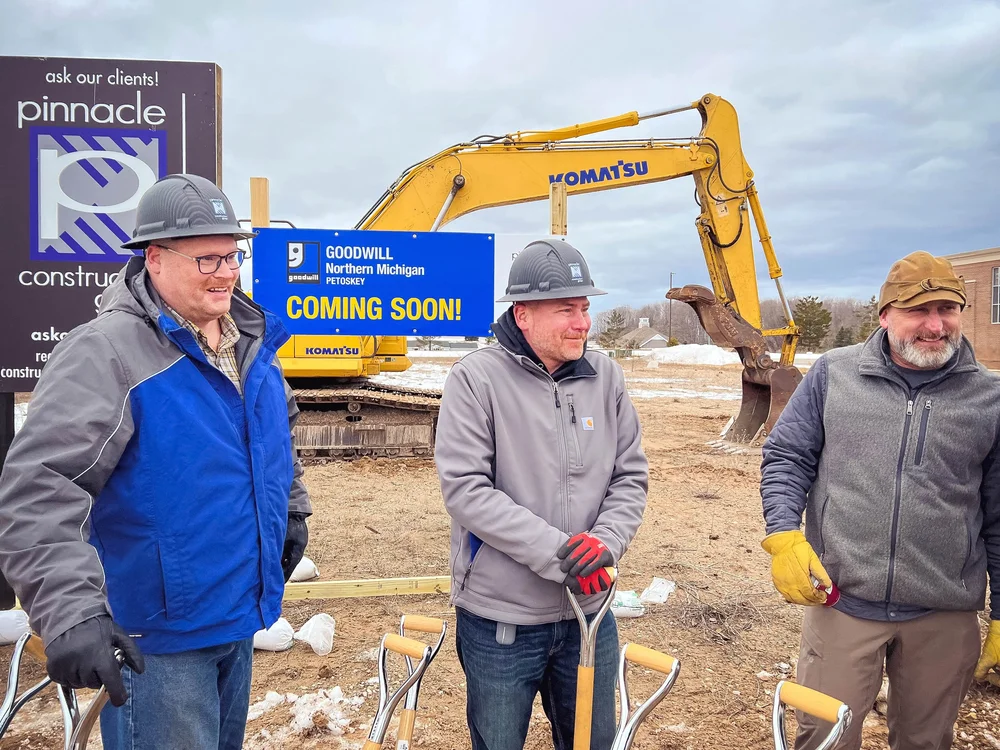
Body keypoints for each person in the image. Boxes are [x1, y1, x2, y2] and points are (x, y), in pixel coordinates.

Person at [0, 174, 311, 750]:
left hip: (237, 613)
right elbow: (41, 487)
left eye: (231, 254)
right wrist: (69, 610)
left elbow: (275, 437)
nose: (226, 271)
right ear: (155, 259)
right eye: (206, 259)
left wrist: (291, 511)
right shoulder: (106, 352)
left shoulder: (250, 342)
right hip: (158, 640)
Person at [760, 250, 1000, 750]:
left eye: (948, 309)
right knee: (825, 737)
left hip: (944, 612)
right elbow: (786, 456)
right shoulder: (834, 375)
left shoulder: (989, 398)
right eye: (919, 310)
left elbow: (998, 511)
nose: (935, 325)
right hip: (844, 599)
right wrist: (784, 534)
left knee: (925, 740)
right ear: (886, 314)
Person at [435, 238, 648, 750]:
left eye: (585, 308)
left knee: (591, 743)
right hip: (501, 619)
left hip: (589, 611)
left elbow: (630, 475)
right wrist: (562, 554)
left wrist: (605, 544)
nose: (582, 323)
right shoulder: (475, 380)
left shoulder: (606, 378)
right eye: (566, 310)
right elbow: (467, 490)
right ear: (523, 313)